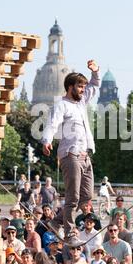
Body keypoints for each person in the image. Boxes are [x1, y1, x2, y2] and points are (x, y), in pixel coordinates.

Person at [42, 60, 101, 246]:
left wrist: (95, 71)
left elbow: (94, 85)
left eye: (83, 86)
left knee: (87, 196)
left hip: (85, 155)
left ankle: (55, 221)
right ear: (70, 87)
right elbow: (52, 123)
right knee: (73, 197)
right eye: (80, 86)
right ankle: (70, 232)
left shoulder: (82, 102)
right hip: (70, 155)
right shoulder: (62, 105)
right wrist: (47, 140)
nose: (83, 89)